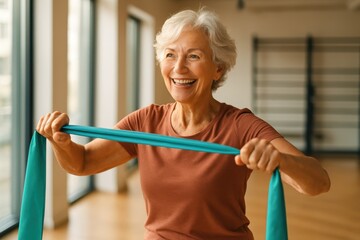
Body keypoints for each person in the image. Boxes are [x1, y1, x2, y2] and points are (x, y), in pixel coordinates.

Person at [37, 8, 330, 240]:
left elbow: (318, 182)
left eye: (193, 56)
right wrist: (61, 143)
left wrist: (278, 159)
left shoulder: (241, 125)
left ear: (218, 68)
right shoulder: (146, 121)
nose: (179, 68)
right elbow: (83, 163)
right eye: (170, 55)